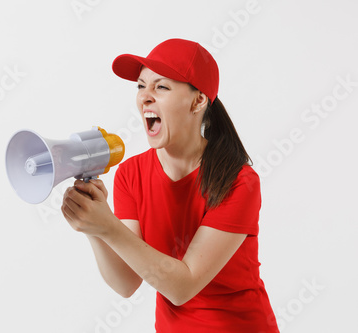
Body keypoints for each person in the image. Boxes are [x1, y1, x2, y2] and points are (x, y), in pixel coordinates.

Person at [61, 38, 279, 332]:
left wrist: (109, 226)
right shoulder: (130, 174)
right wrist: (94, 228)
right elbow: (126, 283)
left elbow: (183, 285)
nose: (145, 97)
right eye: (141, 86)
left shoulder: (239, 180)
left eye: (160, 87)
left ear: (198, 100)